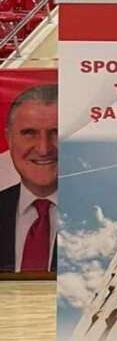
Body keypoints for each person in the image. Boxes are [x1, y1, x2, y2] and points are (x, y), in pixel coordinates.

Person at [0, 84, 58, 272]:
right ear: (8, 137)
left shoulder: (107, 218)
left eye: (56, 132)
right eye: (29, 133)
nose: (43, 149)